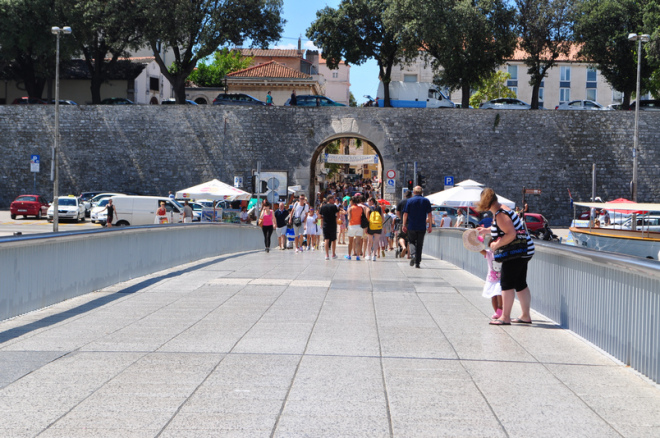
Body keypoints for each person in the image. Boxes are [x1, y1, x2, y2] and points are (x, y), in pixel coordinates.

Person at [477, 188, 534, 326]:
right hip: (524, 249)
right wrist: (487, 230)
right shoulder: (504, 210)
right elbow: (504, 226)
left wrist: (496, 244)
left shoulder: (500, 214)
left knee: (506, 283)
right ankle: (525, 315)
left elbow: (511, 234)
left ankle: (505, 317)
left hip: (514, 253)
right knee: (520, 283)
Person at [402, 186, 433, 268]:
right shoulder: (426, 201)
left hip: (412, 226)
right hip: (422, 226)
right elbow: (429, 214)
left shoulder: (409, 201)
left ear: (414, 192)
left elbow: (405, 214)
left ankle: (413, 255)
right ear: (422, 192)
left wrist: (404, 225)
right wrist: (430, 226)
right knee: (420, 244)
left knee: (411, 241)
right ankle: (417, 262)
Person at [480, 248, 503, 320]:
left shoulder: (503, 253)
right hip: (492, 279)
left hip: (501, 278)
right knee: (493, 297)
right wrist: (479, 241)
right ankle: (497, 312)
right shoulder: (489, 253)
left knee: (499, 293)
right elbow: (480, 250)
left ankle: (500, 309)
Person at [320, 194, 339, 260]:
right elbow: (338, 215)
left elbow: (320, 217)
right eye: (333, 199)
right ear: (330, 200)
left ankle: (327, 255)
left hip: (325, 225)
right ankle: (333, 254)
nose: (334, 201)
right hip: (333, 225)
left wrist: (322, 221)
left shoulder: (323, 207)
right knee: (333, 240)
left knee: (326, 239)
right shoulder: (334, 206)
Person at [345, 196, 364, 261]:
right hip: (359, 226)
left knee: (350, 242)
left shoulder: (350, 208)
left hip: (352, 226)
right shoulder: (360, 208)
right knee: (358, 242)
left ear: (351, 201)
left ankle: (349, 255)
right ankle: (358, 256)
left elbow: (349, 218)